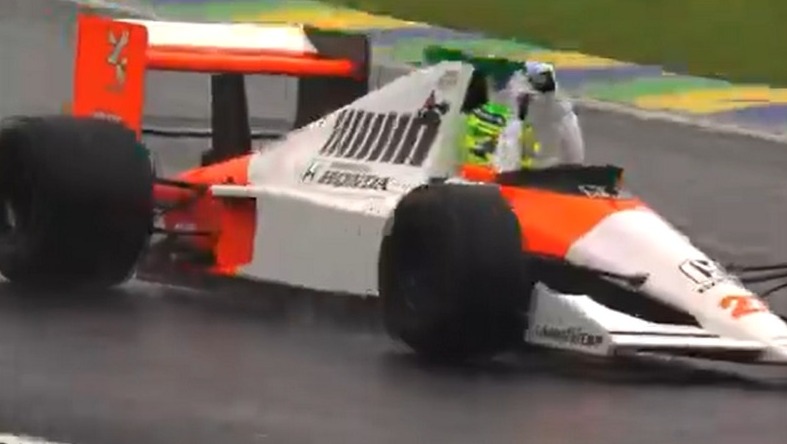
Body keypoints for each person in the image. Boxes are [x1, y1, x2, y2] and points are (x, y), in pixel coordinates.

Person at [496, 61, 586, 171]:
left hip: (539, 168)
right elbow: (575, 155)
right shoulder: (564, 115)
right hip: (547, 168)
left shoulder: (563, 115)